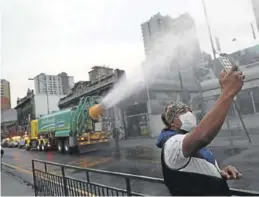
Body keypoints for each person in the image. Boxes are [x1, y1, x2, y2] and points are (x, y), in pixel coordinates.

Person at [156, 66, 244, 196]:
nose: (190, 113)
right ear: (173, 122)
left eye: (190, 110)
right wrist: (228, 92)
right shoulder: (172, 143)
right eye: (183, 111)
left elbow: (195, 175)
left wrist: (219, 173)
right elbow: (203, 136)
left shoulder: (189, 144)